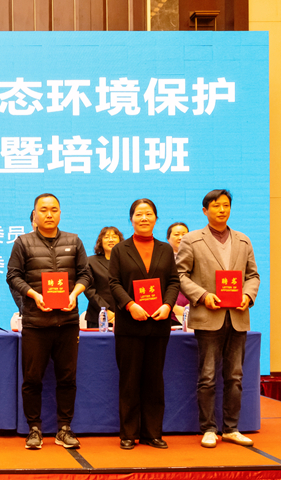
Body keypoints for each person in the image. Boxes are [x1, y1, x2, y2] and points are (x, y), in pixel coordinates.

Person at [6, 193, 91, 450]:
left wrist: (74, 294)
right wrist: (34, 295)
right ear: (35, 214)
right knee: (32, 379)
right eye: (43, 210)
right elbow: (13, 276)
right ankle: (34, 428)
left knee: (67, 378)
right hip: (36, 323)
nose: (49, 214)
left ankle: (64, 428)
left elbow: (86, 274)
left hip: (67, 322)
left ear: (60, 213)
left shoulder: (74, 241)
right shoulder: (23, 242)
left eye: (54, 209)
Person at [176, 189, 260, 448]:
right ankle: (209, 428)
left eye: (226, 205)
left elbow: (253, 275)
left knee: (235, 376)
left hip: (237, 316)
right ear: (205, 210)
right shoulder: (191, 240)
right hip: (208, 316)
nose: (222, 210)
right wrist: (202, 296)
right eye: (215, 206)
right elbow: (180, 275)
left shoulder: (243, 240)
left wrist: (248, 295)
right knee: (208, 376)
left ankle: (231, 428)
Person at [108, 199, 180, 450]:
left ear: (156, 219)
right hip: (130, 325)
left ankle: (152, 433)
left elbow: (173, 281)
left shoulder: (165, 249)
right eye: (139, 214)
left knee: (154, 381)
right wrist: (130, 305)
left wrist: (168, 305)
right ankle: (128, 433)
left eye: (149, 214)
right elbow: (114, 283)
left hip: (158, 324)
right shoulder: (120, 249)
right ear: (131, 219)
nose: (144, 218)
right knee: (129, 381)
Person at [83, 227, 123, 329]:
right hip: (98, 316)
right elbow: (89, 289)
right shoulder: (90, 262)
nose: (111, 240)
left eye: (114, 237)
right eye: (107, 237)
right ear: (101, 241)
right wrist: (105, 310)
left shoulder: (128, 262)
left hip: (124, 315)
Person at [167, 222, 191, 317]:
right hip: (168, 309)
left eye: (184, 234)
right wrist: (174, 307)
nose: (180, 237)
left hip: (194, 307)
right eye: (176, 234)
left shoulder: (198, 257)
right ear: (168, 238)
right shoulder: (161, 258)